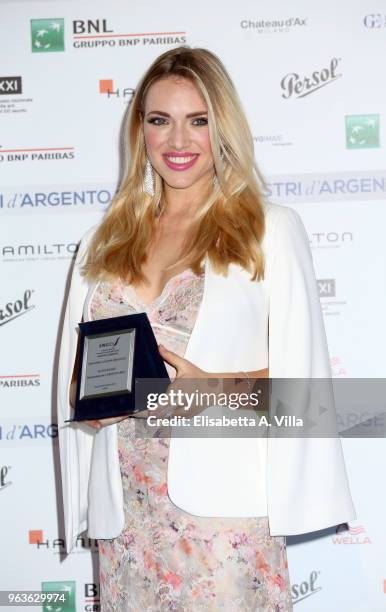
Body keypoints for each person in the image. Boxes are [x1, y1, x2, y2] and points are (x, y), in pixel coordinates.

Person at [57, 46, 356, 611]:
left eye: (198, 120)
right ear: (138, 130)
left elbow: (308, 391)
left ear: (223, 128)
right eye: (159, 120)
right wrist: (92, 399)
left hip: (223, 520)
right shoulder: (102, 244)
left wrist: (215, 390)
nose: (177, 141)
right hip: (126, 519)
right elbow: (76, 385)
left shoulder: (267, 230)